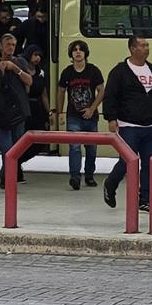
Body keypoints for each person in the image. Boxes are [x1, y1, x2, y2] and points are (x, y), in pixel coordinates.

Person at [101, 35, 152, 213]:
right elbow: (110, 95)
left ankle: (144, 199)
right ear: (132, 49)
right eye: (143, 45)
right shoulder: (120, 71)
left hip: (151, 126)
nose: (147, 48)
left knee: (149, 164)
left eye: (147, 45)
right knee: (127, 162)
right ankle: (110, 184)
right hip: (128, 125)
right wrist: (111, 118)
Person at [0, 32, 32, 186]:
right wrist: (1, 73)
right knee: (7, 148)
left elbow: (30, 81)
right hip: (3, 112)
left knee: (17, 147)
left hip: (19, 111)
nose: (11, 47)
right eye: (7, 44)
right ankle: (7, 178)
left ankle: (7, 173)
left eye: (13, 44)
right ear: (1, 46)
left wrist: (15, 69)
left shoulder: (21, 61)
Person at [57, 40, 105, 191]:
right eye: (75, 50)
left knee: (91, 149)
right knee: (75, 147)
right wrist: (60, 112)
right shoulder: (67, 72)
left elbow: (101, 91)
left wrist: (92, 108)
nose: (78, 52)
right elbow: (61, 92)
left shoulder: (93, 71)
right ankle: (75, 177)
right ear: (71, 54)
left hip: (91, 117)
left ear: (85, 53)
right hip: (73, 117)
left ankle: (89, 175)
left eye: (81, 50)